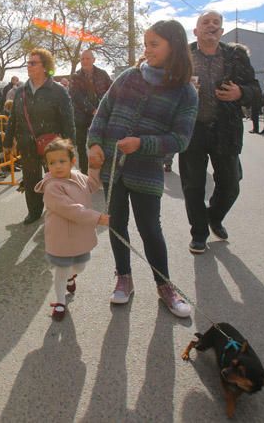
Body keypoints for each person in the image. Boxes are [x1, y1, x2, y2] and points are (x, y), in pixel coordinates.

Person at [87, 20, 198, 317]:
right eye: (146, 44)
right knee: (117, 223)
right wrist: (94, 143)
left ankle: (164, 287)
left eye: (154, 44)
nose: (147, 50)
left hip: (146, 172)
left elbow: (181, 140)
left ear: (173, 46)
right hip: (113, 168)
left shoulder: (186, 93)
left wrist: (142, 143)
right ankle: (123, 277)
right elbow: (103, 112)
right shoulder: (127, 77)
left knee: (150, 228)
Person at [179, 11, 259, 254]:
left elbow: (255, 89)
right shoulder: (183, 56)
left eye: (216, 23)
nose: (211, 26)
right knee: (193, 185)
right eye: (206, 22)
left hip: (226, 130)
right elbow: (165, 86)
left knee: (231, 184)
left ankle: (213, 216)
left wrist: (241, 93)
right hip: (192, 130)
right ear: (195, 31)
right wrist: (183, 88)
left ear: (222, 31)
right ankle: (199, 233)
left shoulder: (236, 56)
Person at [34, 138, 108, 320]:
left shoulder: (77, 176)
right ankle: (60, 302)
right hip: (61, 238)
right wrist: (97, 218)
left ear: (72, 161)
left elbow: (92, 184)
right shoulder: (51, 186)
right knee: (61, 269)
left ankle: (71, 277)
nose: (57, 166)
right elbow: (71, 210)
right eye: (52, 163)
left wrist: (94, 167)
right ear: (47, 165)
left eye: (62, 161)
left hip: (80, 235)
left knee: (80, 266)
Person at [4, 48, 74, 225]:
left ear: (45, 67)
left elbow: (68, 119)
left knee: (56, 180)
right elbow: (13, 118)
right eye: (28, 62)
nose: (28, 66)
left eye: (33, 63)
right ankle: (34, 212)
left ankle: (60, 211)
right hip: (27, 144)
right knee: (30, 179)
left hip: (53, 145)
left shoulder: (58, 90)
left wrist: (69, 146)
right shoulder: (21, 91)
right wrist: (7, 142)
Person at [69, 49, 112, 173]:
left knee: (101, 143)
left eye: (87, 58)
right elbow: (76, 96)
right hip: (81, 116)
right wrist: (93, 110)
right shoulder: (75, 76)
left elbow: (110, 91)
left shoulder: (102, 74)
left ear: (94, 60)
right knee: (81, 146)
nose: (84, 61)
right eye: (82, 59)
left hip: (101, 114)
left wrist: (104, 109)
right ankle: (84, 172)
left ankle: (103, 171)